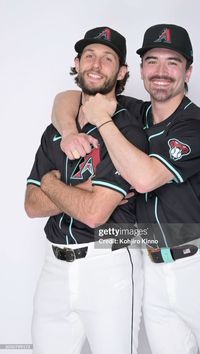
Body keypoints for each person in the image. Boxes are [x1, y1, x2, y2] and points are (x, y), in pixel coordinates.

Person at [51, 24, 200, 354]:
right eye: (152, 61)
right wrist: (68, 131)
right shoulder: (137, 113)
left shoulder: (196, 126)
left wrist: (104, 122)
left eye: (173, 62)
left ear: (188, 70)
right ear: (139, 70)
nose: (161, 72)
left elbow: (145, 179)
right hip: (151, 268)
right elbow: (68, 97)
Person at [24, 26, 148, 354]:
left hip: (108, 264)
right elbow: (31, 205)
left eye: (108, 58)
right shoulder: (56, 129)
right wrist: (80, 189)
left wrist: (50, 183)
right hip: (53, 266)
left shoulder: (127, 128)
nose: (96, 64)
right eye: (89, 56)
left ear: (121, 71)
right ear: (76, 63)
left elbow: (94, 213)